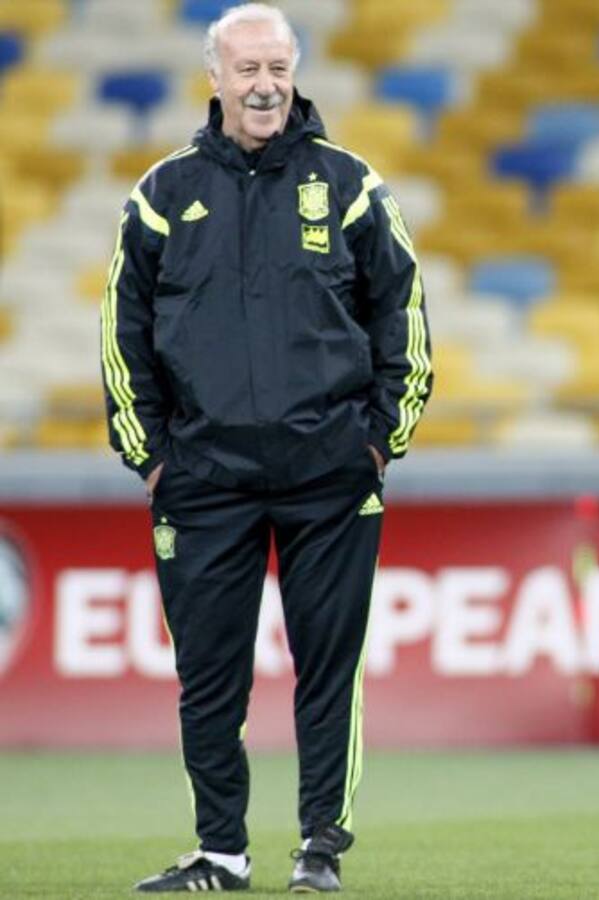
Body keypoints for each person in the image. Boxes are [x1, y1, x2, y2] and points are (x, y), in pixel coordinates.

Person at [100, 4, 432, 892]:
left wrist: (379, 441)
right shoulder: (162, 195)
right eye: (246, 68)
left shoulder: (351, 184)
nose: (264, 85)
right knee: (208, 677)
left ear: (295, 73)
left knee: (329, 670)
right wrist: (152, 457)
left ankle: (321, 847)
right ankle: (221, 852)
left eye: (278, 68)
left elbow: (404, 311)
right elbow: (121, 331)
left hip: (331, 474)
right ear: (214, 79)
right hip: (203, 479)